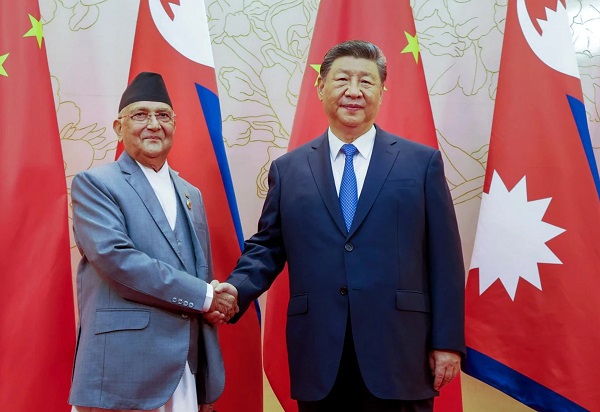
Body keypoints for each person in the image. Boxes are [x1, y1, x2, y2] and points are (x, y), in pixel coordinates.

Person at [216, 40, 465, 411]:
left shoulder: (421, 163)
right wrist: (236, 289)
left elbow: (445, 258)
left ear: (382, 91)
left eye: (366, 81)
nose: (354, 91)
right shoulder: (289, 170)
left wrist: (447, 342)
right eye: (342, 79)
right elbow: (268, 246)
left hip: (401, 351)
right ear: (320, 87)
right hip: (320, 353)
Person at [68, 72, 237, 412]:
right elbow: (118, 261)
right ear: (119, 127)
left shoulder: (191, 194)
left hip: (185, 367)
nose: (154, 125)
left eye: (163, 115)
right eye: (141, 115)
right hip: (123, 368)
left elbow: (200, 273)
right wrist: (207, 297)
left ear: (174, 124)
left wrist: (217, 302)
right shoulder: (95, 184)